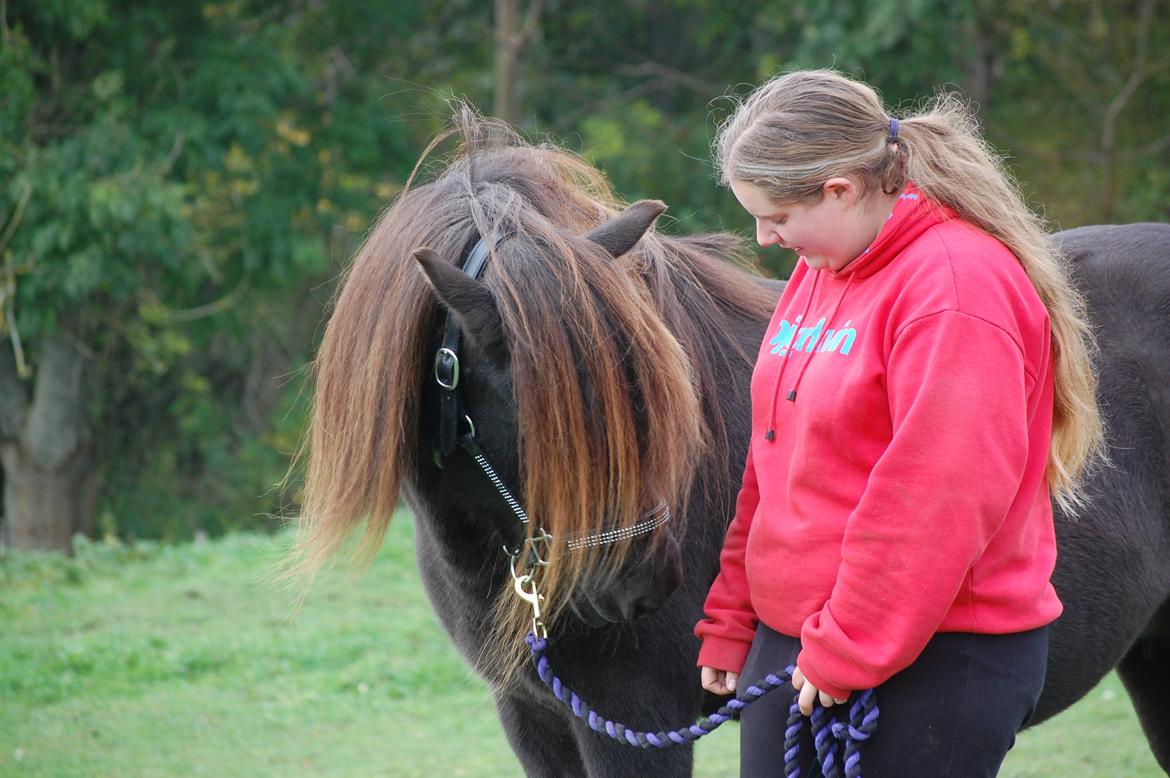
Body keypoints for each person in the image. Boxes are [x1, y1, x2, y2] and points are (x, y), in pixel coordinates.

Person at [694, 69, 1104, 777]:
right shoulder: (824, 266)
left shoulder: (955, 287)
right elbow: (776, 459)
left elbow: (937, 494)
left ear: (841, 190)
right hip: (809, 641)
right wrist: (733, 617)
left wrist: (847, 645)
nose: (764, 239)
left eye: (777, 217)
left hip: (934, 650)